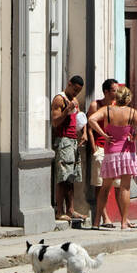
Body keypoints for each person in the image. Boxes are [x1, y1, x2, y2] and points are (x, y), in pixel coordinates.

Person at [87, 84, 137, 231]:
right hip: (127, 153)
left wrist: (103, 134)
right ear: (128, 98)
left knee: (105, 188)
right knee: (125, 187)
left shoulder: (107, 110)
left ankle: (96, 222)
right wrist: (134, 137)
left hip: (111, 153)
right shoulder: (132, 113)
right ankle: (123, 222)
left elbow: (91, 120)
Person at [87, 77, 120, 228]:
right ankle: (104, 217)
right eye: (114, 90)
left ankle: (122, 218)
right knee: (100, 185)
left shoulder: (117, 106)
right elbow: (89, 126)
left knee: (117, 184)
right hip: (100, 148)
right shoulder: (96, 105)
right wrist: (93, 147)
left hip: (114, 149)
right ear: (106, 91)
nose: (116, 93)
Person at [51, 75, 85, 222]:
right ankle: (59, 210)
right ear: (69, 84)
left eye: (79, 91)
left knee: (71, 177)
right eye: (75, 89)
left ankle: (71, 209)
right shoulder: (60, 99)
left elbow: (79, 118)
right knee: (62, 177)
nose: (76, 93)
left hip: (73, 141)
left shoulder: (75, 101)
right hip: (63, 141)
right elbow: (55, 122)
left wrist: (83, 132)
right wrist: (66, 110)